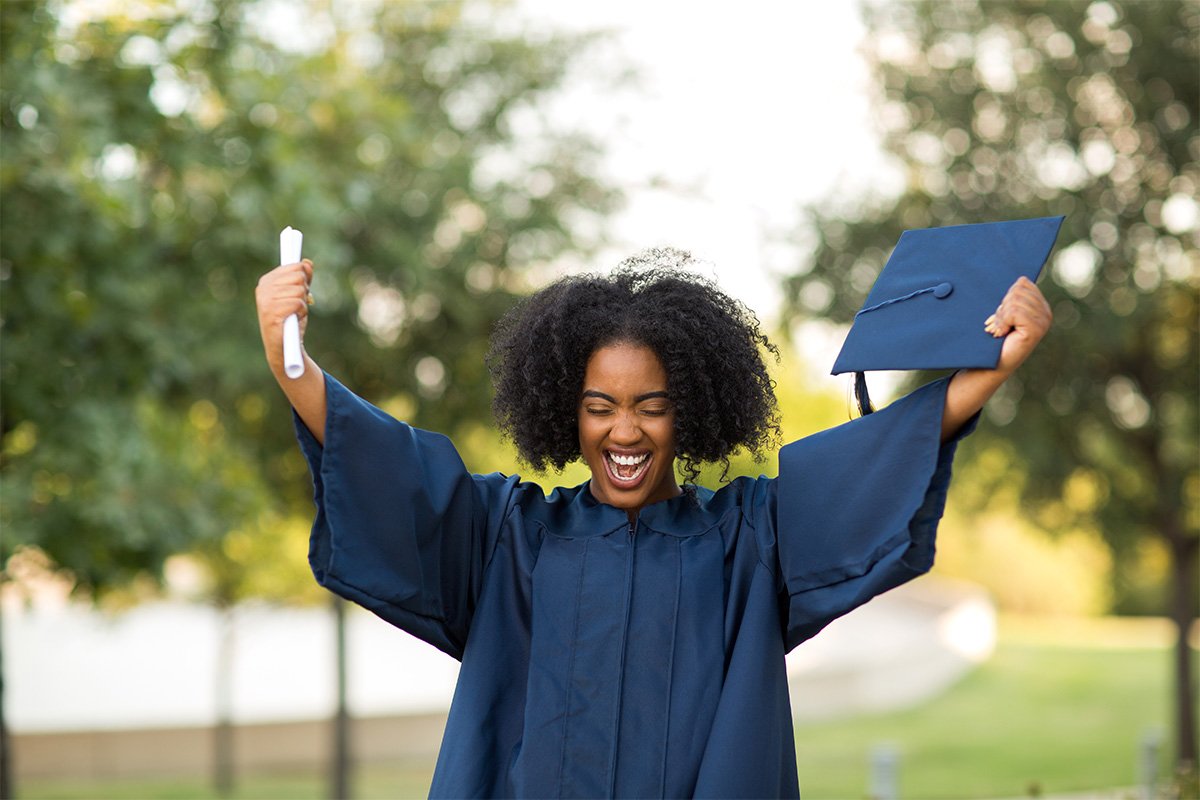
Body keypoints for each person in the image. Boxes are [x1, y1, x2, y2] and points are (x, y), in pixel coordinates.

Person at [255, 248, 1051, 798]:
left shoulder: (749, 542)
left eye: (652, 407)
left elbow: (860, 471)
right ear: (566, 414)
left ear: (691, 414)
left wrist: (992, 369)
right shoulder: (510, 540)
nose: (624, 432)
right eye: (600, 407)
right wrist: (288, 356)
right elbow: (393, 471)